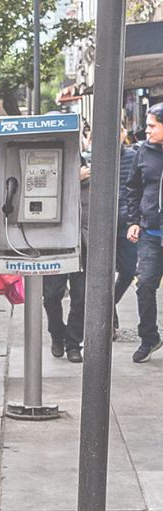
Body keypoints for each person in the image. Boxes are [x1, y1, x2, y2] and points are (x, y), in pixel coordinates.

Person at [126, 102, 163, 363]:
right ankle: (149, 338)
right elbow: (133, 187)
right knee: (144, 286)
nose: (146, 130)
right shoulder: (143, 152)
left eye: (152, 125)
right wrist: (134, 220)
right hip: (151, 232)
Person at [45, 163, 92, 364]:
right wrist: (73, 181)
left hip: (84, 245)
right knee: (51, 296)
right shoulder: (54, 180)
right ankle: (57, 333)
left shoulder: (92, 183)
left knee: (80, 297)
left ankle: (73, 343)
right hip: (57, 245)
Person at [115, 128, 141, 328]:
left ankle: (108, 305)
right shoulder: (92, 159)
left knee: (129, 270)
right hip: (100, 227)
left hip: (127, 223)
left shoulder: (133, 156)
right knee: (101, 273)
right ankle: (109, 320)